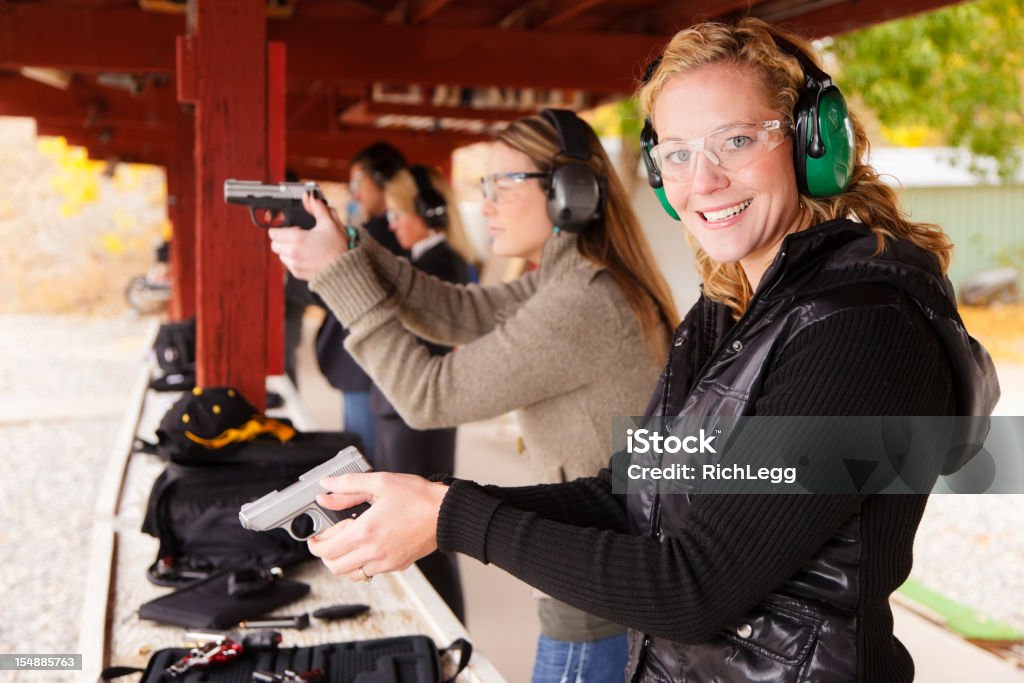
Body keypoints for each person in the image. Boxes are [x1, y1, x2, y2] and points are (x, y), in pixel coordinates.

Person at [295, 18, 1000, 683]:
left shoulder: (860, 329)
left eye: (735, 140)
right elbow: (627, 492)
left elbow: (694, 586)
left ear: (812, 141)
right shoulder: (726, 313)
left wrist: (451, 519)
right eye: (679, 154)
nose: (704, 180)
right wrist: (440, 501)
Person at [268, 110, 679, 682]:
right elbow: (458, 311)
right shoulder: (571, 277)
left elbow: (427, 396)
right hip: (594, 586)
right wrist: (353, 246)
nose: (484, 203)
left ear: (569, 192)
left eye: (501, 184)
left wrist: (338, 271)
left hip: (595, 610)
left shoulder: (582, 300)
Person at [369, 164, 473, 620]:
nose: (391, 224)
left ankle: (442, 629)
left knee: (422, 529)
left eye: (397, 213)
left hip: (415, 414)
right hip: (407, 413)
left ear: (426, 212)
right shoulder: (428, 261)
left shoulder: (438, 265)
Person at [314, 143, 410, 459]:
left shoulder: (381, 235)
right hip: (368, 363)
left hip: (367, 365)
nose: (354, 193)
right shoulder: (379, 232)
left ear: (381, 180)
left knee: (365, 461)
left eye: (358, 182)